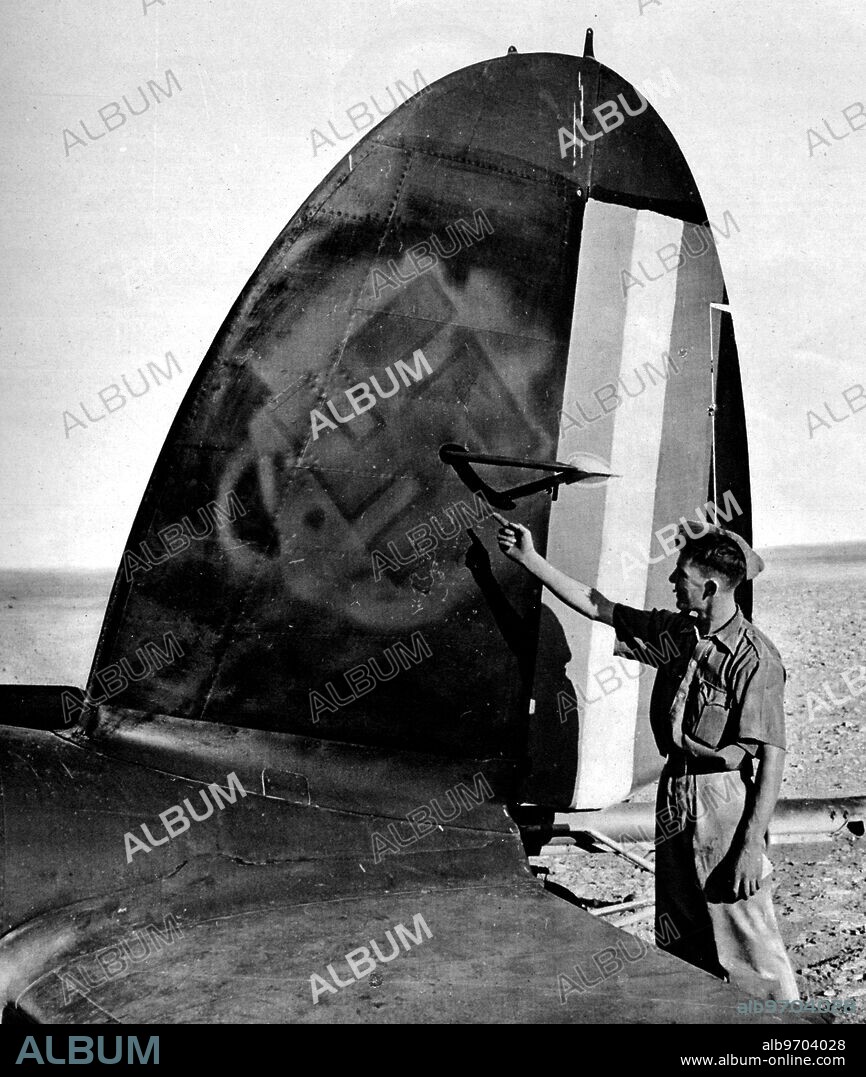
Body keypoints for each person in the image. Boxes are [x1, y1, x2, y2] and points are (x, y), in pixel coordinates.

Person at [493, 511, 799, 1001]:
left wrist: (748, 847)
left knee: (747, 940)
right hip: (674, 788)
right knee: (680, 932)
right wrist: (530, 559)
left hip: (722, 800)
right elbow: (599, 607)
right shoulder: (680, 633)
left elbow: (772, 757)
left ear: (713, 588)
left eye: (684, 578)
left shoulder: (754, 658)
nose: (674, 583)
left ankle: (785, 1035)